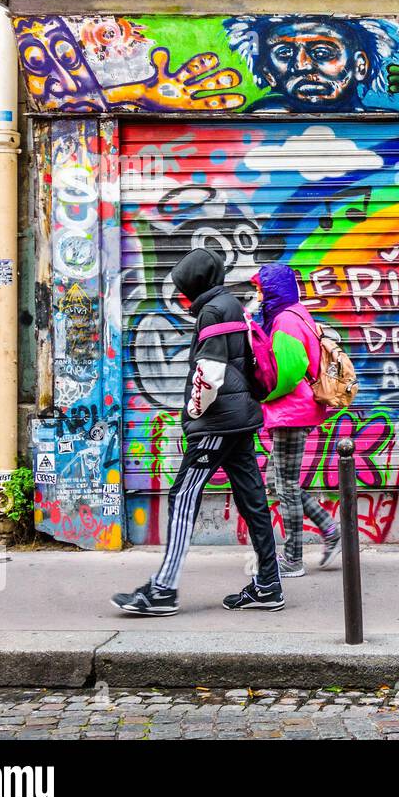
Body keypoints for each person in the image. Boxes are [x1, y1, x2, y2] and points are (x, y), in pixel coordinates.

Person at [112, 247, 284, 615]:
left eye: (182, 285)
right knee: (252, 500)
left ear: (195, 282)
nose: (180, 293)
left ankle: (163, 590)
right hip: (240, 418)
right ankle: (269, 584)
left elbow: (210, 372)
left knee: (183, 496)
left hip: (218, 422)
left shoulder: (212, 311)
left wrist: (194, 412)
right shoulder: (230, 304)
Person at [254, 264, 341, 578]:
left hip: (291, 410)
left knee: (286, 486)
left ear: (274, 290)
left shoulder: (286, 320)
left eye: (262, 289)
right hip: (293, 410)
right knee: (279, 482)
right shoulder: (296, 313)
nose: (258, 296)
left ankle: (292, 559)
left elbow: (288, 373)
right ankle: (329, 529)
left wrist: (263, 396)